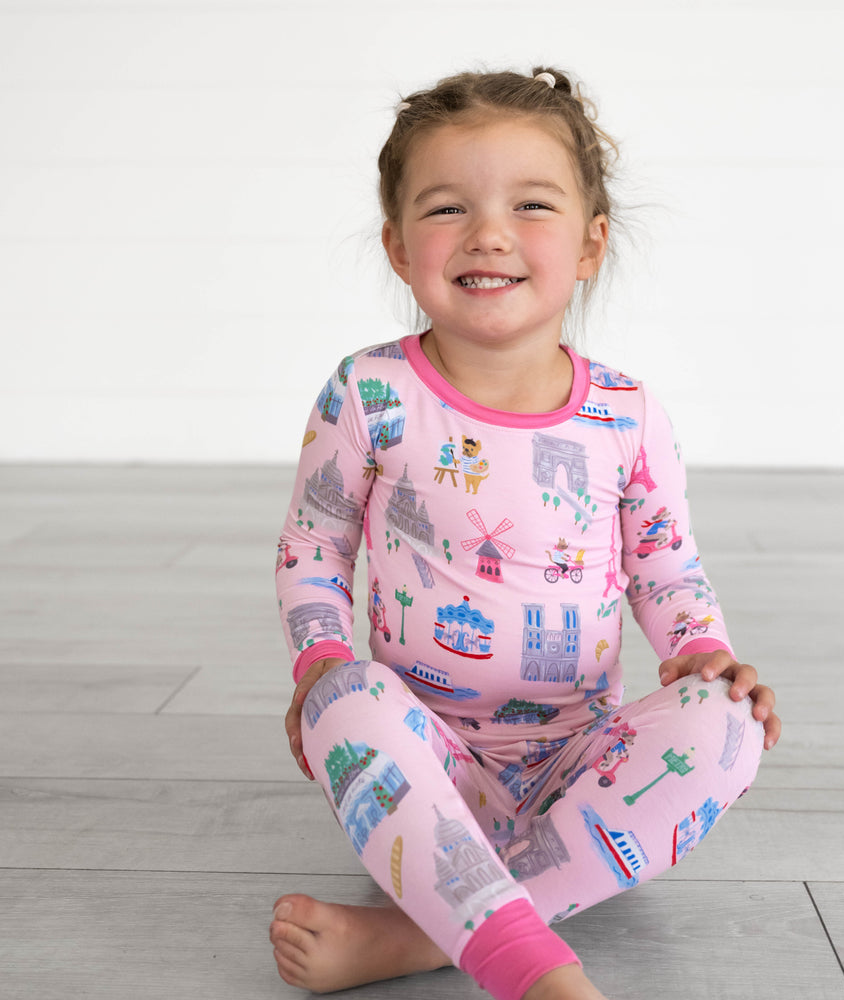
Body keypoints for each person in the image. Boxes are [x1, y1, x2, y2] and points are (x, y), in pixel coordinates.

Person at [270, 67, 781, 1000]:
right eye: (446, 208)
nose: (489, 233)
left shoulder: (627, 414)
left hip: (580, 765)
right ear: (395, 244)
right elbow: (314, 551)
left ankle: (421, 936)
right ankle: (532, 964)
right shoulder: (370, 394)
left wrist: (704, 654)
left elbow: (664, 566)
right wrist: (318, 669)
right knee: (345, 697)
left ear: (591, 244)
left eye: (531, 204)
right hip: (428, 756)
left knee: (732, 725)